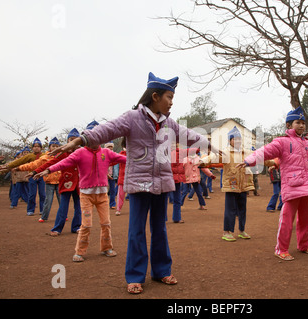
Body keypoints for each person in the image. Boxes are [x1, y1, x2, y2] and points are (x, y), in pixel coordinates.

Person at [48, 72, 213, 294]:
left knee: (160, 229)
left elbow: (189, 134)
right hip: (139, 183)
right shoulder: (132, 118)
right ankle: (135, 275)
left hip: (162, 183)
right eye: (169, 97)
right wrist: (79, 141)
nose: (171, 102)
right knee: (136, 231)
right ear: (155, 96)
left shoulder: (169, 123)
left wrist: (210, 144)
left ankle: (161, 271)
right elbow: (106, 130)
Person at [241, 106, 308, 261]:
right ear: (288, 125)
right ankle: (281, 249)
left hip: (307, 185)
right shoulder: (282, 142)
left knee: (306, 217)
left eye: (303, 123)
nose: (301, 125)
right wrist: (249, 160)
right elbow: (265, 151)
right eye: (297, 122)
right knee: (287, 219)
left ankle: (304, 245)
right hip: (292, 186)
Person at [35, 121, 126, 262]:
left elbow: (126, 159)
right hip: (86, 195)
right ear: (86, 138)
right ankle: (80, 251)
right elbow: (63, 163)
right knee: (87, 224)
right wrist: (47, 170)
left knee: (106, 223)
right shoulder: (80, 153)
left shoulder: (106, 153)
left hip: (102, 195)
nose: (96, 139)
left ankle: (106, 247)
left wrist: (143, 160)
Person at [201, 126, 255, 242]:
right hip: (231, 185)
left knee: (242, 209)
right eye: (234, 139)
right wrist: (202, 161)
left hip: (243, 185)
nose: (237, 141)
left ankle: (242, 230)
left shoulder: (246, 152)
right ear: (230, 140)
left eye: (239, 139)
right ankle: (227, 231)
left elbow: (259, 156)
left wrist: (274, 161)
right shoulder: (225, 152)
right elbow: (213, 157)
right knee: (230, 209)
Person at [33, 129, 83, 236]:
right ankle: (57, 228)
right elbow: (50, 163)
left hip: (79, 184)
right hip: (66, 182)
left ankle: (77, 226)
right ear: (67, 141)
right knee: (63, 206)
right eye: (71, 139)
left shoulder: (82, 152)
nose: (73, 142)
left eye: (75, 140)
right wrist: (36, 171)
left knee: (78, 206)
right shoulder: (63, 153)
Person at [17, 137, 62, 222]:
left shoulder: (61, 156)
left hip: (55, 180)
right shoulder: (41, 157)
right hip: (38, 177)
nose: (55, 148)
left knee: (51, 197)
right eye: (53, 146)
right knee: (33, 194)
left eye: (57, 146)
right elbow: (32, 164)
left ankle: (58, 214)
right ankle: (32, 210)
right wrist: (18, 167)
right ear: (49, 147)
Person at [0, 138, 46, 216]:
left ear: (41, 148)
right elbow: (18, 161)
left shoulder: (44, 155)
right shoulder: (29, 156)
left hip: (42, 176)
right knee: (32, 194)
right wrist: (6, 166)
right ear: (32, 148)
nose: (36, 148)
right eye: (34, 146)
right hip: (32, 176)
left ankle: (43, 210)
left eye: (38, 146)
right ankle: (30, 210)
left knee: (43, 194)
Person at [115, 138, 127, 216]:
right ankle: (118, 209)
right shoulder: (121, 154)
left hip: (132, 179)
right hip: (122, 179)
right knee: (120, 195)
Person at [104, 141, 118, 209]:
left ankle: (112, 204)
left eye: (111, 147)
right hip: (104, 176)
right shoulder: (102, 156)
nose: (110, 148)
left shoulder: (115, 155)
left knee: (113, 190)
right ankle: (104, 204)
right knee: (104, 190)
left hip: (112, 176)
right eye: (108, 147)